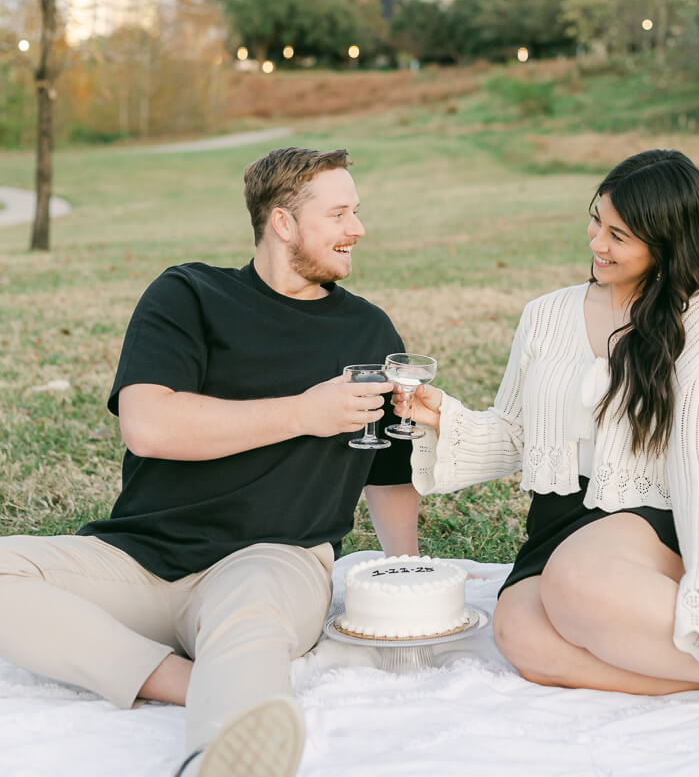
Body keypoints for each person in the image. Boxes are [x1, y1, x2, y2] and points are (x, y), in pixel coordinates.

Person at [0, 147, 420, 777]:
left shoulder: (368, 331)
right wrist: (303, 413)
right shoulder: (188, 294)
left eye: (355, 212)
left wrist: (407, 573)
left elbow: (388, 470)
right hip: (140, 558)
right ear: (282, 222)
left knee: (249, 613)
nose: (357, 229)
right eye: (339, 214)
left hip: (273, 558)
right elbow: (149, 426)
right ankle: (188, 680)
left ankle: (221, 758)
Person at [402, 149, 699, 708]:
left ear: (666, 246)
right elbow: (517, 436)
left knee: (578, 580)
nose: (596, 243)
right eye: (596, 220)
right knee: (520, 634)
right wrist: (442, 416)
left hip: (642, 520)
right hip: (555, 518)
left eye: (619, 235)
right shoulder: (545, 314)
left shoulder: (695, 326)